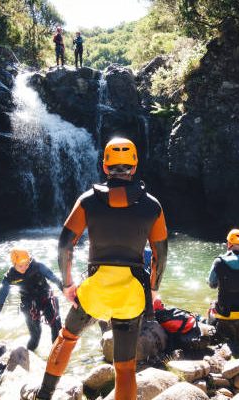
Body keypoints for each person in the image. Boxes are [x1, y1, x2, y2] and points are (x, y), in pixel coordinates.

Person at [21, 138, 168, 400]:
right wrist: (154, 290)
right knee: (124, 367)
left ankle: (44, 395)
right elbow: (160, 254)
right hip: (131, 295)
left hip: (95, 290)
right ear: (134, 166)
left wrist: (67, 284)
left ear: (104, 166)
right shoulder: (153, 206)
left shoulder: (88, 200)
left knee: (66, 338)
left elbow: (66, 244)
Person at [0, 249, 63, 350]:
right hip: (29, 304)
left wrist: (68, 292)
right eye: (20, 266)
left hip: (45, 298)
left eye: (27, 264)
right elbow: (1, 298)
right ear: (14, 264)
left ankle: (56, 355)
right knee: (36, 336)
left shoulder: (38, 266)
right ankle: (28, 357)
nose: (24, 268)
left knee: (57, 327)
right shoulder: (10, 276)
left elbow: (54, 278)